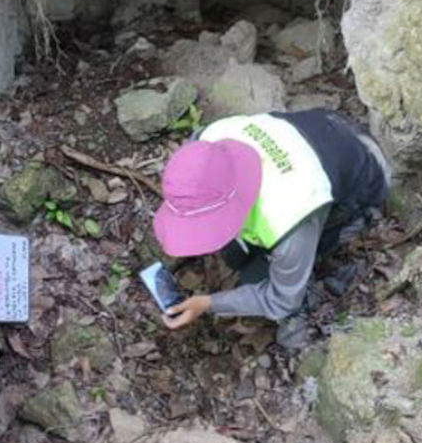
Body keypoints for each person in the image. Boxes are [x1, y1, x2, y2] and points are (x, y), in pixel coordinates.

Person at [152, 109, 391, 327]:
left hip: (365, 171)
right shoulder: (207, 140)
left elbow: (282, 301)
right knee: (236, 256)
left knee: (256, 275)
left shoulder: (291, 216)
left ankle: (306, 306)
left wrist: (208, 304)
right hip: (321, 123)